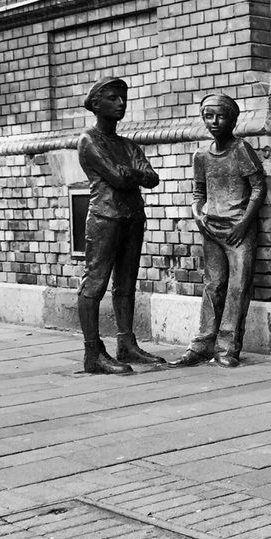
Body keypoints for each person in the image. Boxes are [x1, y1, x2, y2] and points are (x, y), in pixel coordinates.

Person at [169, 93, 267, 368]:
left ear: (233, 119)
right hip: (211, 228)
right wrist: (198, 214)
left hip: (238, 230)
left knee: (238, 288)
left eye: (220, 116)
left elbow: (259, 187)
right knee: (213, 286)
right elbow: (198, 192)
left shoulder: (241, 150)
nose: (214, 121)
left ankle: (227, 348)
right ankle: (202, 345)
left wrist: (244, 224)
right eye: (208, 116)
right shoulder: (202, 155)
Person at [77, 77, 164, 374]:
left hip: (132, 217)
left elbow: (151, 178)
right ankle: (92, 353)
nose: (121, 104)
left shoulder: (128, 144)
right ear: (96, 104)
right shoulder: (89, 139)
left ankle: (126, 343)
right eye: (113, 98)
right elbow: (117, 177)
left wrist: (134, 174)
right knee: (95, 283)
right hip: (105, 218)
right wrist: (133, 173)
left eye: (123, 99)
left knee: (126, 284)